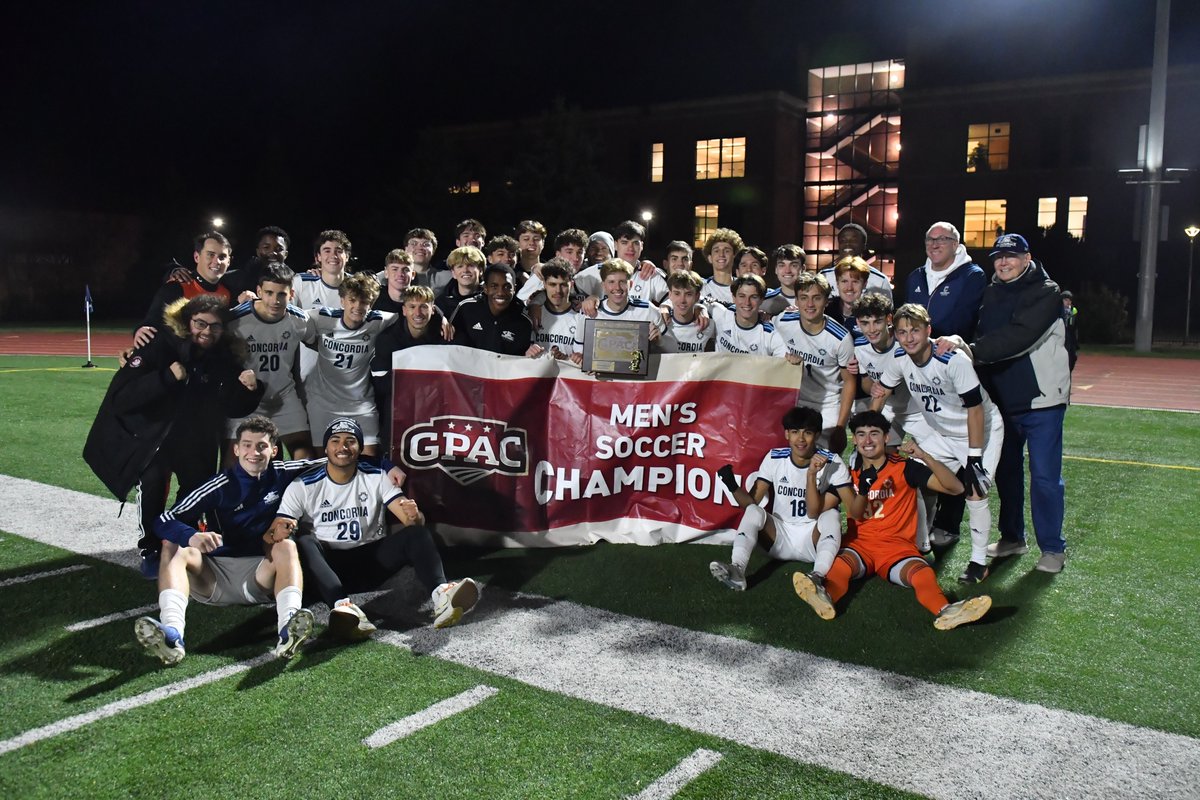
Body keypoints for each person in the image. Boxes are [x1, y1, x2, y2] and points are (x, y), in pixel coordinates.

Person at [84, 295, 264, 578]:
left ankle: (181, 538)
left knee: (195, 491)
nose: (207, 331)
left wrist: (250, 390)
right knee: (154, 482)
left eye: (215, 326)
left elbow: (233, 405)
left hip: (197, 438)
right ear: (186, 322)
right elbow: (122, 398)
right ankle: (151, 548)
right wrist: (166, 377)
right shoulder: (159, 345)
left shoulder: (224, 356)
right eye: (200, 323)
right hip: (155, 438)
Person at [134, 417, 319, 665]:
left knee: (286, 545)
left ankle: (288, 629)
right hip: (214, 577)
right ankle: (172, 635)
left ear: (274, 450)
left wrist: (385, 466)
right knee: (173, 544)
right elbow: (164, 519)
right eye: (247, 445)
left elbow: (337, 460)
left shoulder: (284, 472)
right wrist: (191, 535)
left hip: (260, 576)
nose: (254, 452)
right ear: (236, 449)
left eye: (261, 446)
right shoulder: (219, 485)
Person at [272, 418, 480, 635]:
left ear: (360, 448)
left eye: (350, 441)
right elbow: (278, 530)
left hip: (371, 561)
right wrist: (282, 530)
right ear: (325, 447)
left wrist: (414, 515)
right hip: (327, 566)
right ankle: (343, 607)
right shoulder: (303, 485)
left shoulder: (377, 475)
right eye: (335, 440)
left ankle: (442, 595)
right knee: (304, 539)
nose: (342, 447)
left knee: (416, 533)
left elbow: (412, 521)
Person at [792, 410, 991, 630]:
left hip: (898, 550)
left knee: (922, 573)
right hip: (860, 546)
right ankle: (826, 597)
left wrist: (925, 457)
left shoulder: (905, 467)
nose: (867, 440)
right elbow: (815, 510)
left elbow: (956, 488)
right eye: (861, 434)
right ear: (855, 440)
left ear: (886, 437)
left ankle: (946, 611)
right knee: (840, 568)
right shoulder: (848, 474)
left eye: (874, 434)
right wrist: (811, 476)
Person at [950, 233, 1071, 574]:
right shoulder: (991, 291)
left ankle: (1052, 549)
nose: (1003, 263)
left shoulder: (1047, 292)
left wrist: (970, 350)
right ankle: (1013, 538)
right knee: (1006, 473)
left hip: (1042, 401)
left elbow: (1018, 337)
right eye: (998, 258)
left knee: (1046, 478)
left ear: (1027, 257)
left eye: (1011, 257)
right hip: (1003, 401)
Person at [870, 303, 1004, 584]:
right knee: (911, 478)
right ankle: (919, 545)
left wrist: (974, 458)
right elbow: (881, 390)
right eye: (902, 332)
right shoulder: (900, 357)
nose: (908, 338)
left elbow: (976, 410)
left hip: (980, 430)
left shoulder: (952, 360)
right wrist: (868, 429)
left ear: (928, 330)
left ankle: (978, 562)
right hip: (941, 433)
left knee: (975, 492)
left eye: (915, 331)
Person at [709, 406, 859, 591]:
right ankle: (737, 569)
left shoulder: (832, 461)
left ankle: (818, 576)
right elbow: (751, 504)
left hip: (813, 540)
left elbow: (852, 508)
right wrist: (732, 485)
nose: (801, 439)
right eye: (795, 432)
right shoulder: (774, 458)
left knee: (832, 516)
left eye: (808, 433)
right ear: (787, 434)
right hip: (778, 538)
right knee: (753, 511)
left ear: (818, 435)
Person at [904, 221, 987, 546]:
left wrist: (942, 342)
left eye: (942, 239)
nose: (935, 244)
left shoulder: (972, 275)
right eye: (930, 238)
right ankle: (918, 523)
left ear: (956, 243)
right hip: (921, 367)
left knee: (962, 444)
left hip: (951, 366)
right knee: (931, 441)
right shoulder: (915, 276)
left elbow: (967, 319)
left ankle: (949, 524)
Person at [304, 273, 399, 458]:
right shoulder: (321, 317)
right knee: (323, 460)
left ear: (370, 305)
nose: (357, 306)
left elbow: (410, 315)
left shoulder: (379, 321)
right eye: (352, 300)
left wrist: (439, 315)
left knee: (369, 457)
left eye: (364, 302)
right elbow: (287, 315)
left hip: (360, 402)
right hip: (322, 402)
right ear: (342, 301)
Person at [226, 263, 314, 461]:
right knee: (233, 465)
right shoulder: (235, 319)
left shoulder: (300, 320)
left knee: (305, 457)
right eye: (268, 293)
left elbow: (317, 342)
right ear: (258, 291)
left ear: (291, 294)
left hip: (283, 397)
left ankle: (290, 492)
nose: (275, 300)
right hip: (246, 401)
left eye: (281, 294)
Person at [773, 272, 856, 453]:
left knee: (823, 460)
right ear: (796, 300)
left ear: (826, 301)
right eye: (804, 298)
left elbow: (849, 381)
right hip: (794, 399)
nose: (810, 304)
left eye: (816, 298)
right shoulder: (783, 321)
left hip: (826, 403)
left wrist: (841, 427)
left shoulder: (840, 338)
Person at [371, 285, 450, 449]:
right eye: (412, 307)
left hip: (436, 409)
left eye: (423, 307)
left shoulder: (446, 335)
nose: (418, 313)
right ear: (404, 310)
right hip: (398, 409)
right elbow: (380, 384)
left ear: (433, 310)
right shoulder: (387, 339)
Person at [135, 231, 235, 340]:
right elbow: (151, 323)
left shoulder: (228, 292)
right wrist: (141, 331)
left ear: (229, 261)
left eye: (222, 257)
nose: (217, 261)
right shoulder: (176, 287)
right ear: (197, 257)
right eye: (210, 255)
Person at [451, 264, 536, 356]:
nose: (500, 292)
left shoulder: (523, 322)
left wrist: (530, 354)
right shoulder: (466, 308)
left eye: (507, 287)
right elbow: (449, 346)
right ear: (485, 288)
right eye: (494, 286)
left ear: (514, 289)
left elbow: (521, 358)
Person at [708, 274, 788, 357]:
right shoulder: (722, 315)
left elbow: (786, 363)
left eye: (753, 297)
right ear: (734, 298)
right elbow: (698, 298)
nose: (747, 303)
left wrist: (793, 360)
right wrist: (700, 309)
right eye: (742, 296)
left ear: (761, 300)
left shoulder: (769, 334)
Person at [819, 223, 893, 301]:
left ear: (864, 245)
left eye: (853, 240)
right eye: (843, 241)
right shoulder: (824, 277)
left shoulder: (880, 281)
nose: (847, 243)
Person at [528, 261, 582, 360]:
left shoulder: (581, 317)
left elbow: (583, 359)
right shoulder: (533, 314)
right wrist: (528, 353)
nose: (558, 290)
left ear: (572, 284)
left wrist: (567, 359)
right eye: (552, 284)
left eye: (563, 285)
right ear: (544, 284)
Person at [658, 270, 715, 353]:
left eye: (688, 294)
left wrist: (702, 308)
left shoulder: (709, 325)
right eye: (677, 293)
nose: (682, 300)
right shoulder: (660, 322)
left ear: (697, 296)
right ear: (670, 295)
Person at [224, 225, 290, 297]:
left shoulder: (295, 281)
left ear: (285, 254)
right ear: (258, 252)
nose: (273, 252)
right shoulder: (233, 279)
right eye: (266, 247)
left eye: (279, 249)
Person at [436, 245, 485, 320]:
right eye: (460, 266)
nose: (465, 270)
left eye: (470, 265)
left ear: (480, 270)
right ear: (453, 273)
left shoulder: (490, 300)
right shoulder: (441, 303)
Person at [700, 228, 744, 304]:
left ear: (735, 256)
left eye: (727, 251)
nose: (721, 254)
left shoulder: (743, 288)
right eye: (716, 251)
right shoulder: (701, 287)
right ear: (710, 258)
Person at [760, 244, 804, 317]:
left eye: (794, 265)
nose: (787, 271)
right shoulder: (763, 302)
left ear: (803, 269)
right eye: (782, 265)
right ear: (776, 269)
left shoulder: (814, 299)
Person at [406, 227, 450, 292]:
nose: (420, 247)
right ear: (406, 249)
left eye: (426, 244)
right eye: (414, 243)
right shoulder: (392, 276)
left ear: (433, 251)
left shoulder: (448, 277)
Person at [1061, 290, 1079, 371]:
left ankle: (1068, 374)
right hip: (1061, 338)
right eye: (1066, 300)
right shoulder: (1057, 310)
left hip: (1070, 338)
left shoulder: (1073, 310)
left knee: (1073, 357)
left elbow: (1075, 327)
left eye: (1070, 300)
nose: (1068, 302)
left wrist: (1076, 341)